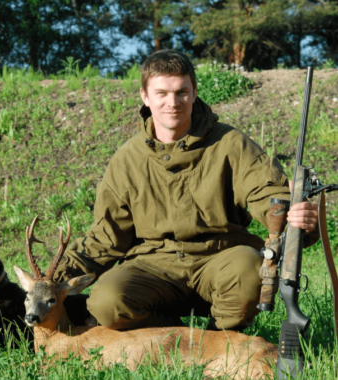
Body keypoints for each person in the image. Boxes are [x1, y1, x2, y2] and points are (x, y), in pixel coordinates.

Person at [54, 50, 319, 331]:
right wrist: (55, 277)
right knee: (107, 302)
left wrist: (294, 217)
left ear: (194, 93)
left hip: (221, 257)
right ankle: (180, 340)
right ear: (145, 96)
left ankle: (224, 342)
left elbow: (266, 193)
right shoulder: (126, 159)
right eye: (162, 93)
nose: (173, 102)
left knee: (249, 270)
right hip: (153, 266)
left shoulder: (231, 143)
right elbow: (106, 237)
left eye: (182, 92)